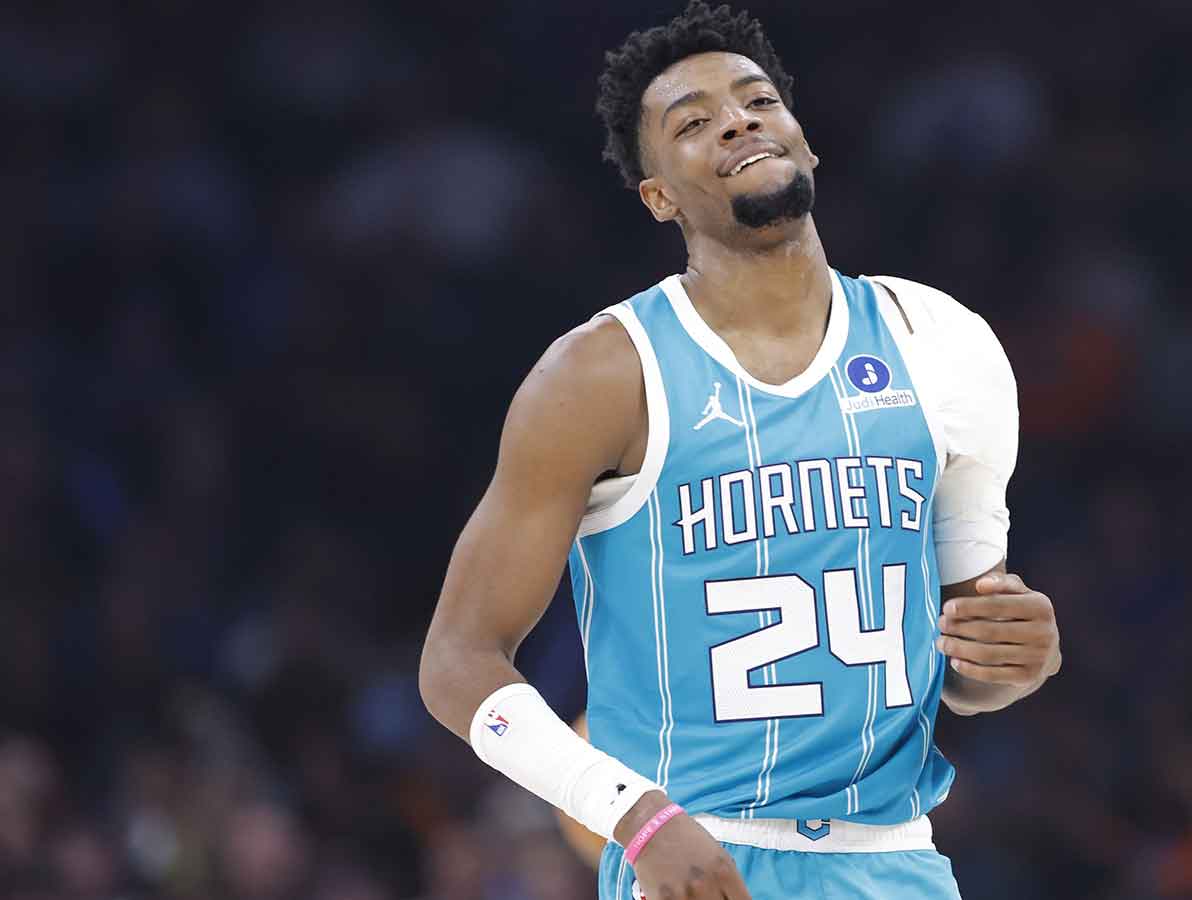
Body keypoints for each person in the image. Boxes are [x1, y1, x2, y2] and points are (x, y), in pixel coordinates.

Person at [418, 3, 1061, 897]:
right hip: (698, 857)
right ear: (658, 196)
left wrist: (1012, 662)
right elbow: (455, 661)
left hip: (897, 860)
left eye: (758, 100)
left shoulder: (943, 343)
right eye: (692, 121)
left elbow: (969, 663)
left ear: (804, 141)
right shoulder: (601, 373)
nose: (736, 119)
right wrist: (632, 815)